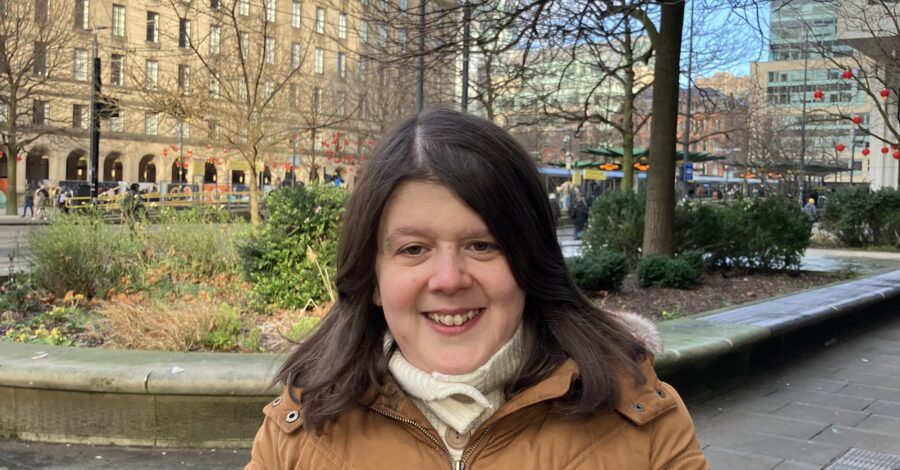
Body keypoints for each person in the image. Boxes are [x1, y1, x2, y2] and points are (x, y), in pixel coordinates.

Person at [246, 109, 708, 469]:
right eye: (413, 249)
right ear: (373, 281)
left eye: (482, 244)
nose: (448, 279)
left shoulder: (644, 424)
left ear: (530, 260)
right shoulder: (297, 434)